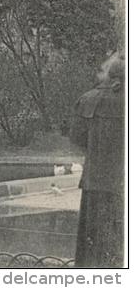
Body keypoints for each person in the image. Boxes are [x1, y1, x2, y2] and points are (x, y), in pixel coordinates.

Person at [71, 54, 124, 267]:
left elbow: (77, 139)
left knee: (91, 247)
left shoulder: (87, 99)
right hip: (122, 184)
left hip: (94, 182)